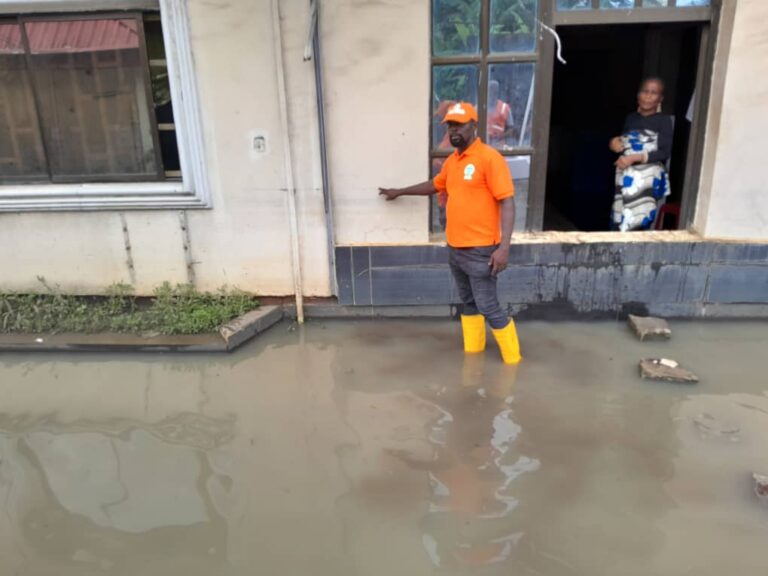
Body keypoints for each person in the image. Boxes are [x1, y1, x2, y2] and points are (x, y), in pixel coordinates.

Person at [378, 102, 522, 365]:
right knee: (468, 303)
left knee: (489, 307)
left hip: (482, 251)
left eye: (459, 125)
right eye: (450, 126)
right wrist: (399, 191)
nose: (454, 131)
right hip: (456, 248)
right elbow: (434, 185)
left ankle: (514, 363)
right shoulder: (453, 162)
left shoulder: (490, 158)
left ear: (473, 125)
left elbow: (508, 201)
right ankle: (473, 357)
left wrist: (504, 248)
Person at [609, 77, 674, 231]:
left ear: (660, 98)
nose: (648, 96)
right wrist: (613, 143)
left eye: (654, 93)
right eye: (645, 91)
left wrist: (635, 158)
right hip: (626, 176)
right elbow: (624, 143)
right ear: (638, 95)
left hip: (646, 178)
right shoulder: (631, 119)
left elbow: (664, 152)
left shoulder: (663, 121)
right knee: (620, 219)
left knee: (638, 222)